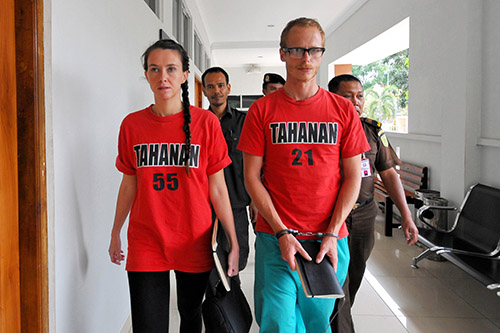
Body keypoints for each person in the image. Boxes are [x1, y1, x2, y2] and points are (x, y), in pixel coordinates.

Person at [238, 18, 371, 332]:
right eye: (297, 49)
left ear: (322, 54)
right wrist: (282, 232)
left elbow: (353, 177)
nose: (305, 58)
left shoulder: (342, 111)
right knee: (277, 321)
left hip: (328, 240)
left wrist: (331, 231)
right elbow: (251, 177)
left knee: (317, 323)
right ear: (283, 53)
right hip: (276, 237)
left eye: (313, 50)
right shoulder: (262, 111)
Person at [108, 39, 239, 333]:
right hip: (146, 239)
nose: (162, 77)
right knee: (148, 325)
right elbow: (129, 183)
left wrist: (233, 240)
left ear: (183, 75)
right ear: (146, 75)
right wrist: (116, 231)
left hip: (195, 238)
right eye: (154, 69)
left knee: (190, 316)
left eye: (171, 69)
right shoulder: (132, 125)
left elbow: (218, 189)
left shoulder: (206, 123)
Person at [328, 74, 419, 332]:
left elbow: (389, 174)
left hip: (365, 215)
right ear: (333, 98)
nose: (355, 102)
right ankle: (341, 326)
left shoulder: (373, 131)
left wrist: (406, 215)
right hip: (333, 215)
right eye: (347, 96)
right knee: (337, 279)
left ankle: (337, 320)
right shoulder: (324, 132)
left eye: (359, 96)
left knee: (354, 274)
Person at [202, 66, 256, 271]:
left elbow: (254, 163)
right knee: (208, 260)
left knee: (238, 259)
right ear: (205, 91)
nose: (216, 90)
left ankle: (230, 300)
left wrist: (255, 200)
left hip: (236, 203)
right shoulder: (199, 123)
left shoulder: (245, 121)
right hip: (205, 204)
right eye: (211, 86)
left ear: (228, 88)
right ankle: (213, 302)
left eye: (220, 85)